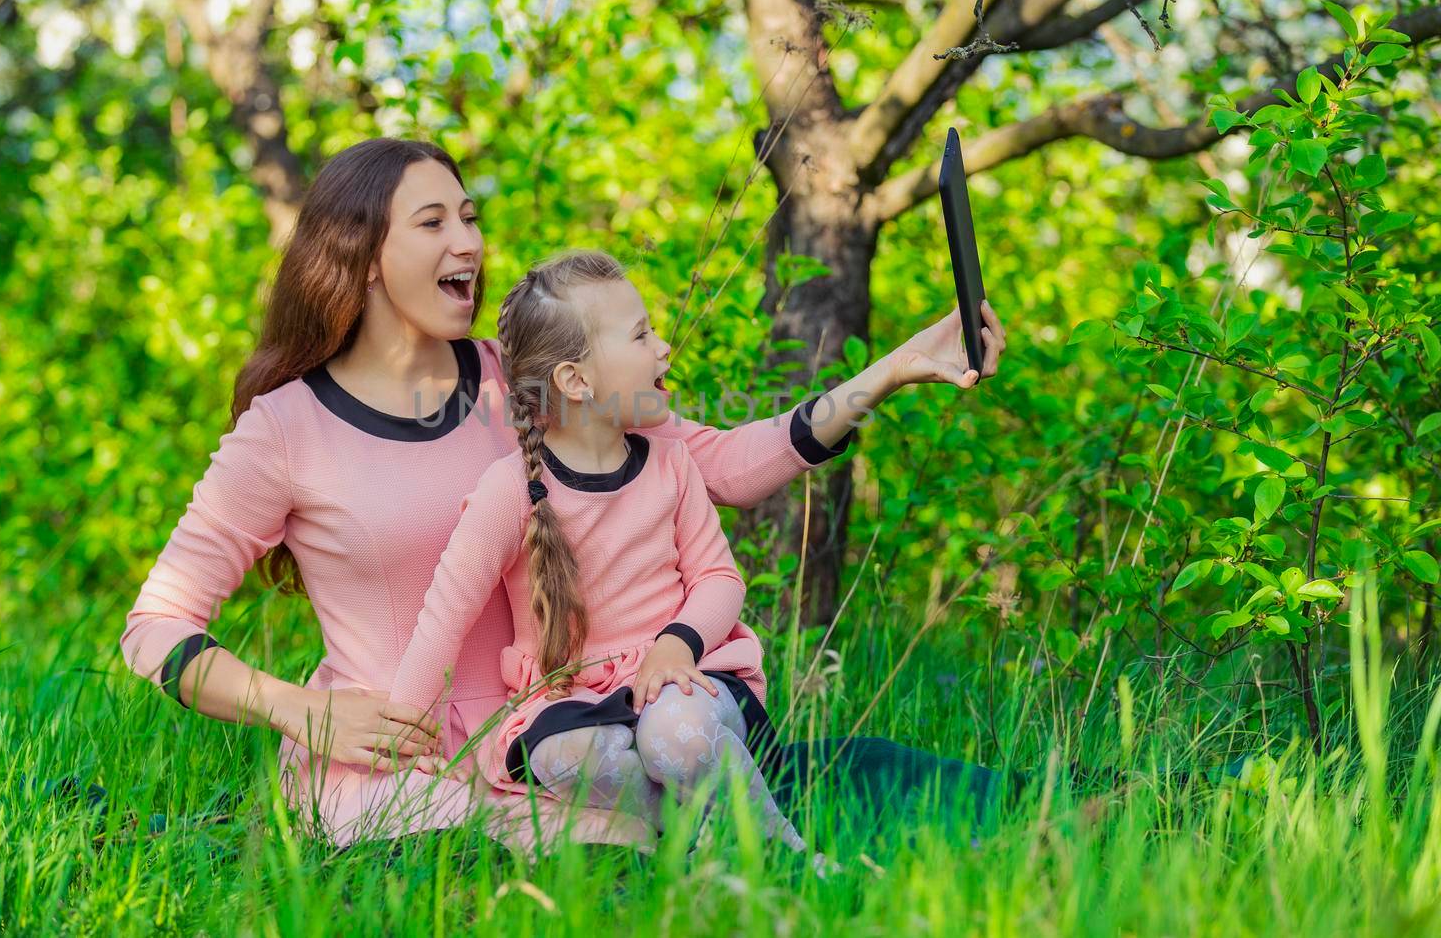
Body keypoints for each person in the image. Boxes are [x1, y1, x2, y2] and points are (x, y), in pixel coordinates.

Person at [117, 137, 1009, 850]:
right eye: (432, 223)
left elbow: (722, 463)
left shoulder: (532, 380)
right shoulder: (285, 428)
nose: (468, 242)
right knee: (627, 845)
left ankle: (1051, 813)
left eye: (468, 216)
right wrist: (305, 712)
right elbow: (155, 628)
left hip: (563, 733)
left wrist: (890, 371)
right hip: (402, 762)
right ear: (362, 258)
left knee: (811, 777)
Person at [388, 250, 804, 851]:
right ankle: (698, 841)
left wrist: (677, 642)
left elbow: (721, 579)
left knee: (675, 734)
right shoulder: (512, 492)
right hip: (576, 698)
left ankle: (784, 853)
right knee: (562, 754)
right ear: (575, 381)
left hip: (683, 681)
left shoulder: (671, 464)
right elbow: (443, 619)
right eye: (640, 335)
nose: (663, 348)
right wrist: (407, 733)